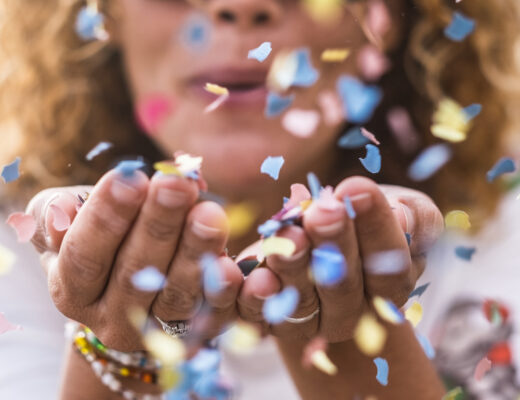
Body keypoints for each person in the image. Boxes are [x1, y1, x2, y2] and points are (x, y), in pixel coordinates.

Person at [0, 0, 519, 399]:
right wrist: (114, 354)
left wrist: (353, 341)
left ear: (390, 18)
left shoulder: (502, 226)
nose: (241, 5)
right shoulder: (14, 244)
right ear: (102, 12)